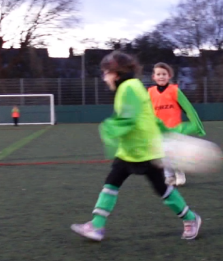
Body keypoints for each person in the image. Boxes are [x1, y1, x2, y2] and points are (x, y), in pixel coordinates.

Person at [71, 51, 202, 242]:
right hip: (131, 150)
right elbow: (146, 116)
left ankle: (191, 219)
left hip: (144, 150)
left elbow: (128, 118)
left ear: (116, 72)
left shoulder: (129, 88)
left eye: (105, 72)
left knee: (161, 189)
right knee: (112, 183)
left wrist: (108, 128)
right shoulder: (131, 87)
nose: (104, 77)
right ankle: (97, 225)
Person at [148, 62, 205, 186]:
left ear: (169, 76)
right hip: (159, 131)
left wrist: (196, 124)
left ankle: (179, 173)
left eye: (164, 74)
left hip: (175, 129)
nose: (161, 76)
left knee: (173, 153)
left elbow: (188, 108)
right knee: (163, 154)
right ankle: (169, 177)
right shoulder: (150, 92)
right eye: (158, 74)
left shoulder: (174, 90)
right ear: (154, 77)